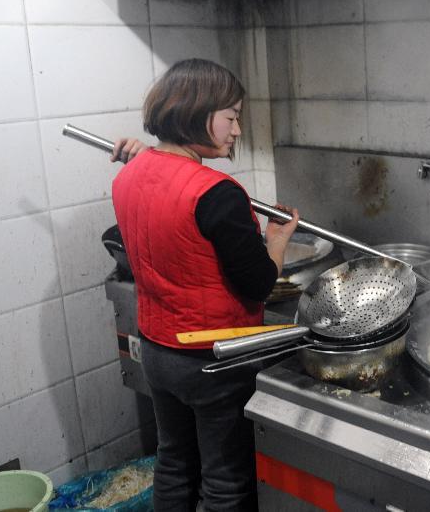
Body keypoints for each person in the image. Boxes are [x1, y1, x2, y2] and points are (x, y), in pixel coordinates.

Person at [110, 58, 299, 511]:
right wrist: (276, 240)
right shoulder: (216, 192)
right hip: (212, 359)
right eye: (231, 118)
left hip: (157, 349)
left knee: (173, 462)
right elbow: (258, 284)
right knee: (226, 480)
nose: (237, 131)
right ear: (197, 112)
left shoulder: (129, 174)